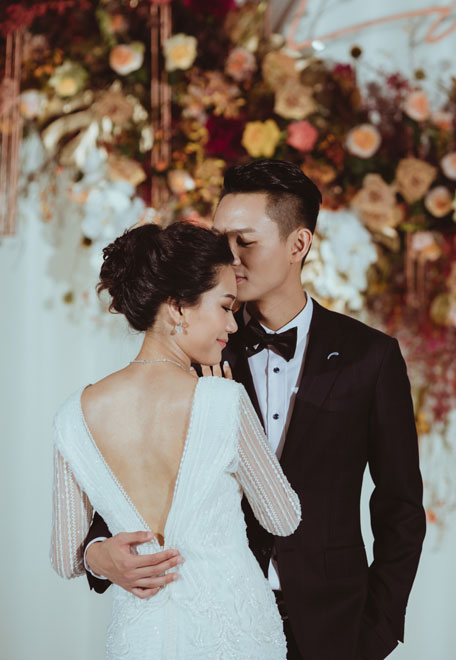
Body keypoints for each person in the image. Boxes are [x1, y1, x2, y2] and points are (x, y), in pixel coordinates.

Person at [83, 160, 426, 660]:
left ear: (298, 244)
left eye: (244, 241)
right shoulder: (193, 348)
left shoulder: (370, 357)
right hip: (209, 625)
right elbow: (126, 478)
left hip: (334, 628)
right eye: (220, 239)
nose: (229, 256)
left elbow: (400, 507)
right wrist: (97, 555)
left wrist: (377, 631)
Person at [51, 221, 301, 660]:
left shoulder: (73, 415)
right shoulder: (223, 401)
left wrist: (99, 555)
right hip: (236, 633)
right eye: (225, 307)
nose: (232, 324)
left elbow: (64, 556)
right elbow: (282, 518)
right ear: (177, 308)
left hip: (141, 638)